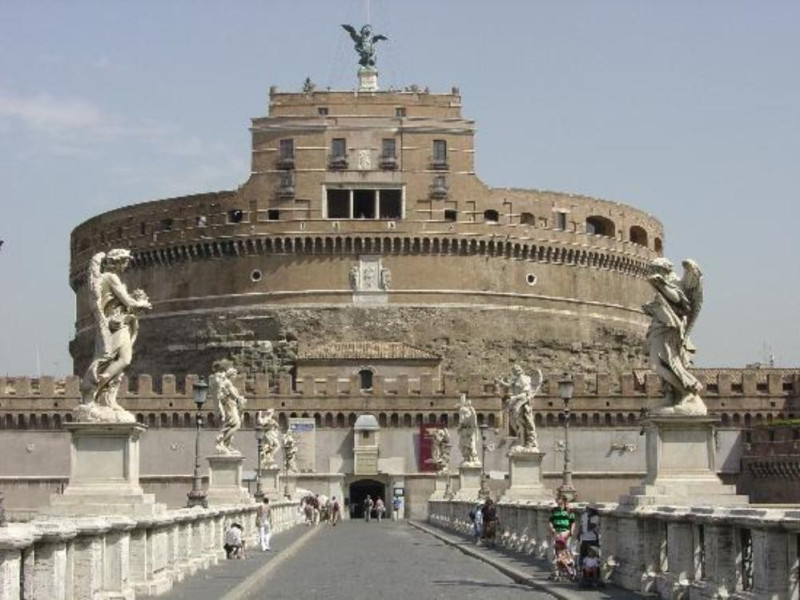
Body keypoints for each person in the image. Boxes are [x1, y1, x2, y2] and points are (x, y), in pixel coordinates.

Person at [548, 496, 576, 579]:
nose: (559, 504)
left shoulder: (569, 511)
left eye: (560, 503)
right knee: (555, 553)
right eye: (558, 503)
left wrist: (571, 532)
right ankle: (556, 572)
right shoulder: (554, 511)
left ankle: (570, 571)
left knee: (566, 552)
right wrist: (552, 528)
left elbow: (572, 522)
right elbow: (550, 521)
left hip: (565, 533)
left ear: (564, 502)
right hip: (557, 533)